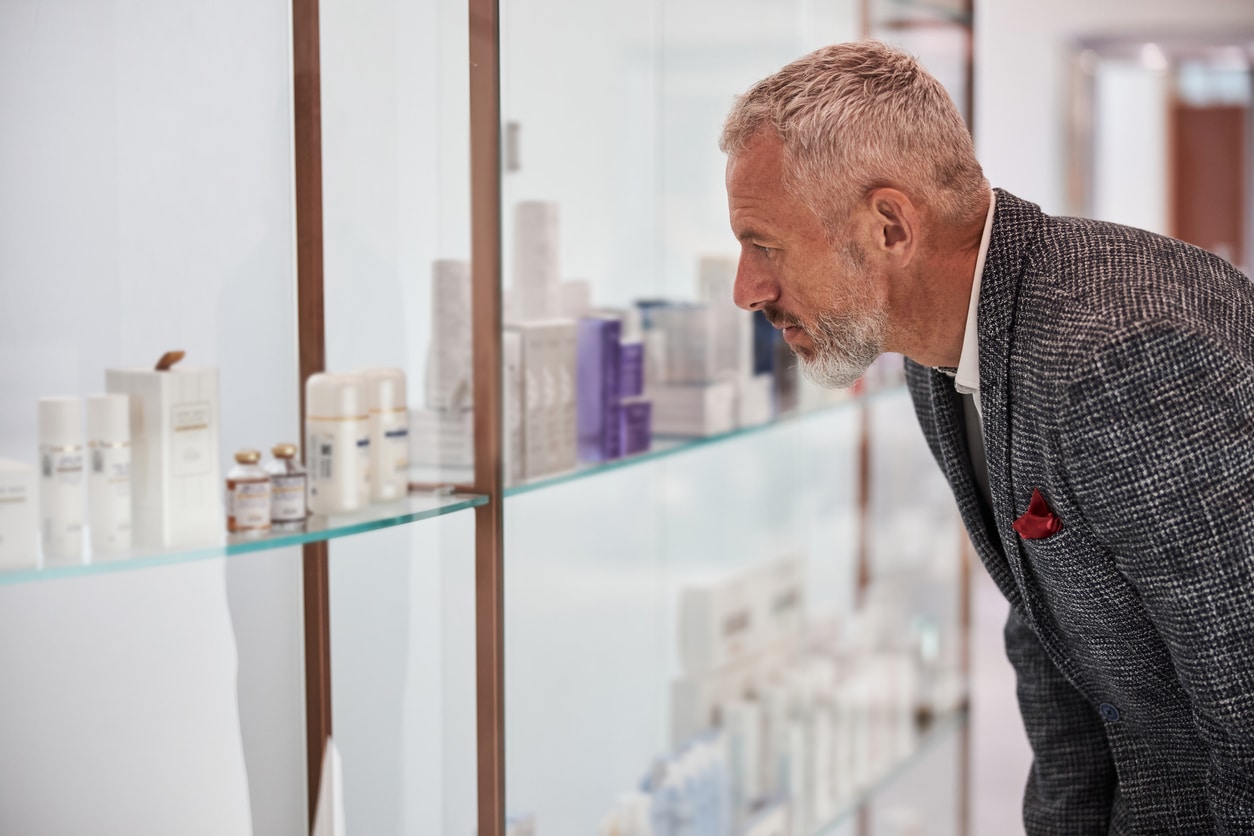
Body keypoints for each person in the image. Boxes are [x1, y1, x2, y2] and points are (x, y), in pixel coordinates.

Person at [721, 39, 1254, 833]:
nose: (747, 289)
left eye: (765, 244)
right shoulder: (939, 351)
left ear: (889, 226)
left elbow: (1247, 704)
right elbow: (1047, 629)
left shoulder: (1116, 357)